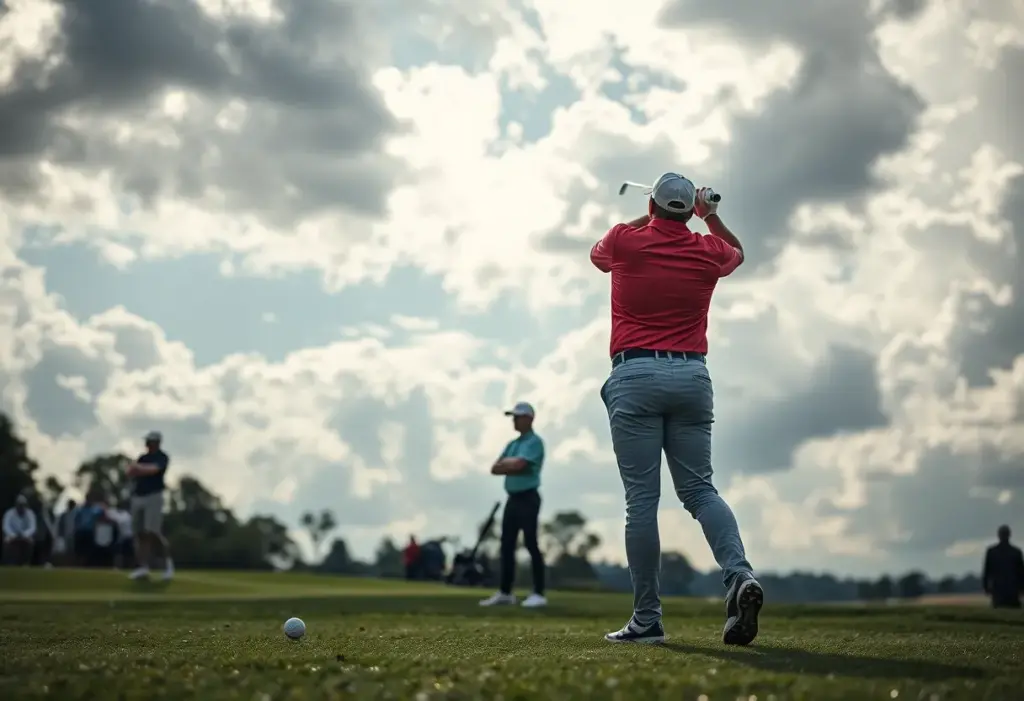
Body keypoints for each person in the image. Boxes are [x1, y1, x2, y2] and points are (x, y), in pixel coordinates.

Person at [590, 173, 762, 646]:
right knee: (701, 492)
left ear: (652, 207)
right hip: (691, 376)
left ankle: (647, 619)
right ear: (688, 210)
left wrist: (651, 213)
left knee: (642, 501)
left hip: (635, 375)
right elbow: (737, 252)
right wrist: (710, 216)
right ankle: (739, 575)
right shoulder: (707, 250)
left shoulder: (626, 240)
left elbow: (598, 253)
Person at [480, 402, 547, 609]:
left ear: (529, 418)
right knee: (506, 545)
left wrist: (510, 464)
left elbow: (519, 465)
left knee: (530, 544)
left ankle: (538, 593)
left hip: (529, 497)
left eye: (518, 417)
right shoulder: (513, 444)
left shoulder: (535, 442)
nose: (514, 420)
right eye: (513, 417)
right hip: (513, 498)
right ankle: (505, 592)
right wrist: (512, 464)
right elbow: (494, 468)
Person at [126, 430, 174, 581]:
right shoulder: (143, 457)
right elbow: (130, 472)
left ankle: (167, 565)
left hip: (153, 496)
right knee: (140, 534)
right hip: (138, 496)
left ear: (156, 443)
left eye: (149, 441)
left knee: (153, 532)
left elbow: (153, 470)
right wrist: (139, 469)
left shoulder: (162, 457)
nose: (146, 444)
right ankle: (143, 567)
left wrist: (139, 469)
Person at [983, 525, 1024, 609]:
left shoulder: (991, 552)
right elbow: (1021, 573)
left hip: (998, 589)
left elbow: (987, 571)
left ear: (998, 535)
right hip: (1013, 589)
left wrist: (986, 587)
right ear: (1009, 535)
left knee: (998, 611)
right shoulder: (1016, 552)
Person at [2, 495, 37, 566]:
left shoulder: (30, 514)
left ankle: (26, 562)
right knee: (7, 543)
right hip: (11, 536)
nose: (21, 507)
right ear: (16, 505)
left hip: (25, 536)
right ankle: (10, 562)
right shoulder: (9, 513)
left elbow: (32, 527)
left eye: (23, 505)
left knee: (30, 543)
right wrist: (13, 535)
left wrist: (24, 534)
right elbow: (6, 526)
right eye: (19, 505)